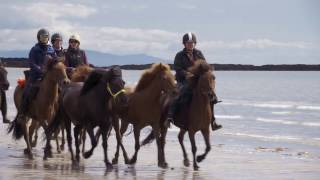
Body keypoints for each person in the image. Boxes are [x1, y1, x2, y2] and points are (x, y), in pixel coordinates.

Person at [167, 32, 222, 131]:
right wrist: (187, 74)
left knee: (211, 96)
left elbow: (204, 66)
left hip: (197, 81)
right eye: (188, 43)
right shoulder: (179, 55)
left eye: (192, 43)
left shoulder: (199, 53)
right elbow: (178, 69)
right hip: (183, 81)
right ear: (184, 44)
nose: (190, 44)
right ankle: (170, 117)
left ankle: (212, 121)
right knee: (178, 96)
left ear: (195, 43)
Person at [17, 28, 56, 120]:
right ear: (38, 38)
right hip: (35, 76)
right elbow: (32, 63)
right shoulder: (34, 49)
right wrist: (40, 70)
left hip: (48, 76)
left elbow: (55, 61)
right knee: (27, 91)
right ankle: (22, 113)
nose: (44, 39)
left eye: (46, 37)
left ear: (48, 38)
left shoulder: (51, 49)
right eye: (42, 37)